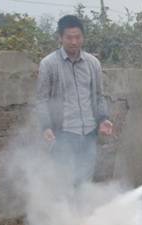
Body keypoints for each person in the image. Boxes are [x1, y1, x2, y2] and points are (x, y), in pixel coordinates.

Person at [36, 15, 113, 184]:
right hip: (64, 134)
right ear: (60, 37)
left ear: (83, 37)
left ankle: (82, 202)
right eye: (69, 37)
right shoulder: (48, 64)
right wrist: (46, 126)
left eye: (77, 37)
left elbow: (99, 95)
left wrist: (103, 119)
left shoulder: (93, 63)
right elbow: (41, 100)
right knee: (63, 180)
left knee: (85, 181)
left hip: (89, 134)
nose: (74, 42)